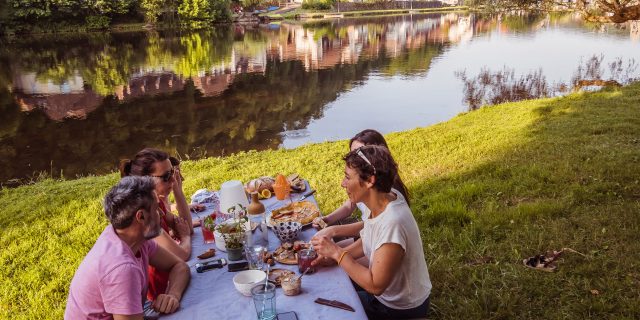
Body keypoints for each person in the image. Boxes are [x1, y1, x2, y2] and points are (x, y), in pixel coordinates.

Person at [311, 145, 431, 320]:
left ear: (369, 181)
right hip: (385, 298)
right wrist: (331, 257)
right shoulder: (383, 197)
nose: (342, 183)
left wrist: (337, 254)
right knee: (326, 284)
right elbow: (369, 239)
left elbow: (375, 285)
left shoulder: (393, 222)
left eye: (347, 177)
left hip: (398, 309)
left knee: (330, 307)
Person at [65, 176, 190, 319]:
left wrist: (172, 295)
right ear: (141, 216)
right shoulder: (122, 269)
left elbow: (180, 266)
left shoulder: (131, 238)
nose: (161, 214)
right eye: (156, 208)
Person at [119, 148, 194, 301]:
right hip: (158, 293)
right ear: (145, 180)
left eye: (172, 173)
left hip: (172, 281)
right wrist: (185, 237)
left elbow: (187, 225)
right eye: (166, 176)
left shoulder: (157, 202)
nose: (172, 179)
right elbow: (181, 255)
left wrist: (178, 190)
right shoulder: (145, 216)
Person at [313, 129, 410, 241]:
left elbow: (374, 226)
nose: (354, 158)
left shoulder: (381, 193)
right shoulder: (363, 186)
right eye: (352, 153)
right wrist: (328, 219)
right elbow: (351, 206)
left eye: (359, 152)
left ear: (374, 153)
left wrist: (334, 231)